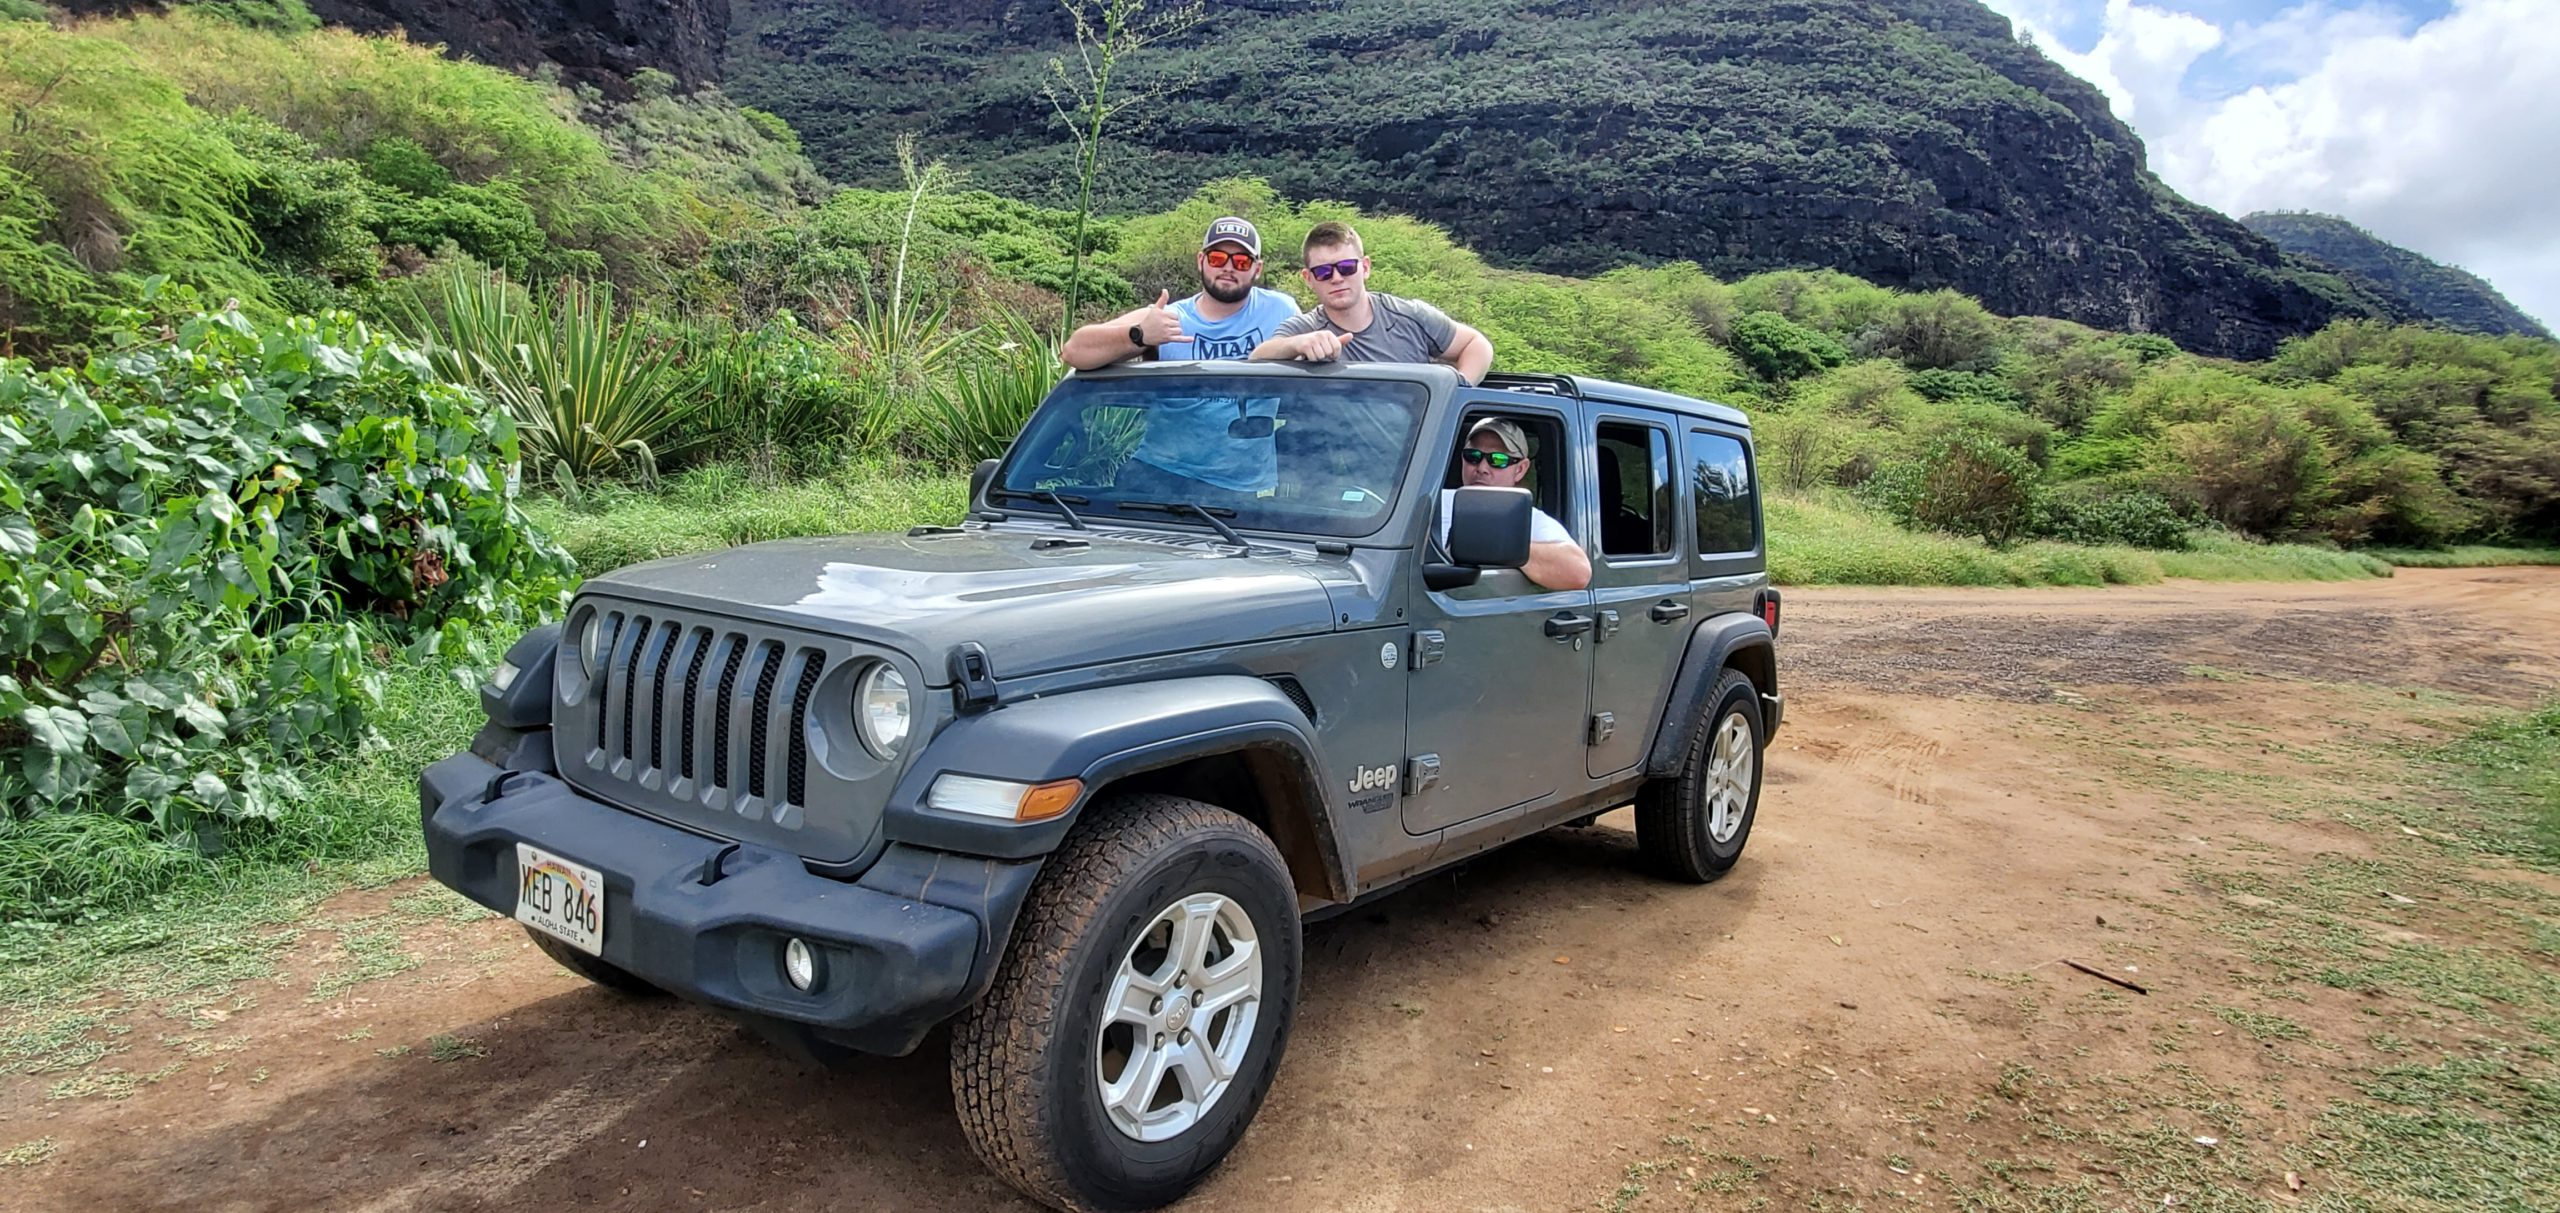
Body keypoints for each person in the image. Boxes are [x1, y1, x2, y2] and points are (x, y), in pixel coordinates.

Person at [1251, 220, 1494, 384]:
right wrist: (1297, 344)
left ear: (1365, 267)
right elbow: (1257, 359)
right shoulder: (1305, 329)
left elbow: (1476, 344)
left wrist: (1453, 394)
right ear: (1308, 278)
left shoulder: (1409, 316)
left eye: (1346, 267)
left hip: (1416, 456)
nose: (1336, 278)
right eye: (1323, 272)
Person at [1060, 216, 1301, 368]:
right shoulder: (1168, 317)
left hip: (1250, 450)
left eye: (1241, 262)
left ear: (1257, 269)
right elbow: (1074, 351)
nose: (1228, 268)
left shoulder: (1281, 310)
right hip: (1165, 451)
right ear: (1201, 260)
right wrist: (1140, 335)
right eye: (1217, 258)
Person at [1445, 418, 1590, 591]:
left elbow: (1579, 572)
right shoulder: (1430, 503)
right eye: (1473, 456)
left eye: (1498, 459)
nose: (1482, 467)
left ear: (1520, 469)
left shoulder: (1531, 520)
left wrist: (1498, 543)